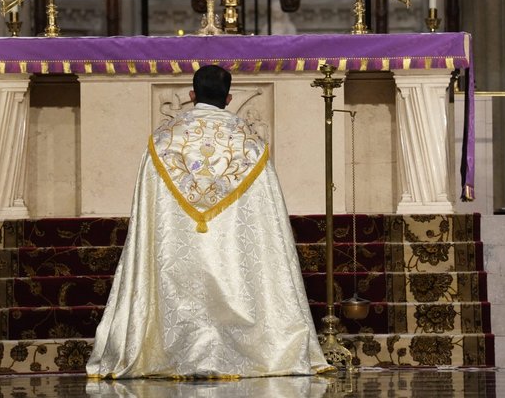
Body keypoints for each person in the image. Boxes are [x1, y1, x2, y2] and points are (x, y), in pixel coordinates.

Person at [86, 65, 331, 379]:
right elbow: (266, 225)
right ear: (229, 98)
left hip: (177, 256)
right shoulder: (250, 144)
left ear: (191, 96)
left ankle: (166, 351)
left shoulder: (163, 141)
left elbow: (149, 216)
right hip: (233, 261)